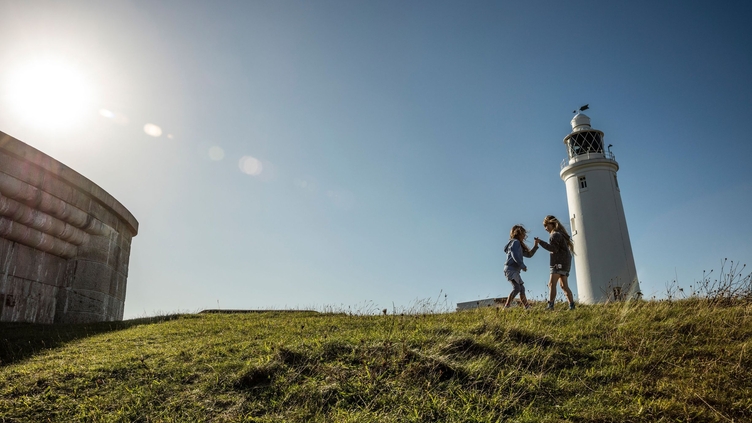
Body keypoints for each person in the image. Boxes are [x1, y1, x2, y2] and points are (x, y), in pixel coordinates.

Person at [535, 215, 576, 310]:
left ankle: (551, 305)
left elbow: (553, 249)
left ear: (552, 224)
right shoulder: (561, 234)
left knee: (551, 284)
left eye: (546, 225)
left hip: (558, 262)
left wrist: (540, 242)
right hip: (566, 263)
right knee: (564, 285)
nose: (545, 228)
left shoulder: (554, 235)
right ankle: (572, 306)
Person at [503, 225, 539, 309]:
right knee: (517, 288)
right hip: (510, 269)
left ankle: (527, 307)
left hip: (514, 270)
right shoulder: (515, 242)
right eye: (523, 234)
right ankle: (506, 306)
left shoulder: (518, 244)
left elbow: (529, 255)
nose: (524, 236)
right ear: (518, 233)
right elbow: (514, 254)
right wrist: (522, 265)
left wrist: (536, 245)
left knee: (521, 288)